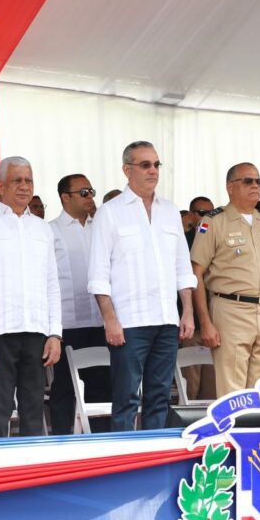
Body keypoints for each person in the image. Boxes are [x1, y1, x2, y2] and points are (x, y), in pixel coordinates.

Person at [88, 141, 196, 430]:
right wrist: (110, 320)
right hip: (129, 323)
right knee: (125, 399)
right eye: (145, 165)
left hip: (165, 320)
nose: (153, 171)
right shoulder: (109, 213)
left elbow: (182, 269)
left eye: (157, 165)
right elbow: (98, 274)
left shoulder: (170, 211)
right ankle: (125, 467)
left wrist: (187, 312)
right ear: (127, 169)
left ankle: (154, 463)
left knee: (160, 397)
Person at [0, 157, 61, 437]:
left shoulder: (43, 229)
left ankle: (32, 477)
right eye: (17, 180)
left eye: (28, 180)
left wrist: (55, 333)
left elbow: (52, 284)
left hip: (36, 331)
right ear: (1, 186)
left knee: (34, 410)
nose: (24, 186)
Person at [192, 163, 260, 396]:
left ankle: (258, 433)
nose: (255, 185)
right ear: (230, 187)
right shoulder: (213, 222)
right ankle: (233, 433)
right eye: (247, 181)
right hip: (231, 309)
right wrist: (205, 322)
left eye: (258, 181)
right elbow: (196, 274)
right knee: (233, 392)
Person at [48, 174, 110, 434]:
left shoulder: (101, 227)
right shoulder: (50, 230)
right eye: (84, 192)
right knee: (64, 389)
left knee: (103, 386)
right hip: (67, 323)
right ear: (65, 197)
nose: (91, 197)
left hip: (101, 320)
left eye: (92, 191)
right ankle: (62, 444)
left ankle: (105, 445)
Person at [182, 195, 216, 400]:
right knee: (191, 384)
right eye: (203, 213)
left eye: (211, 213)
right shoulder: (183, 241)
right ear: (192, 215)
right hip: (191, 322)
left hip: (216, 321)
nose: (207, 217)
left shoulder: (217, 237)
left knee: (213, 386)